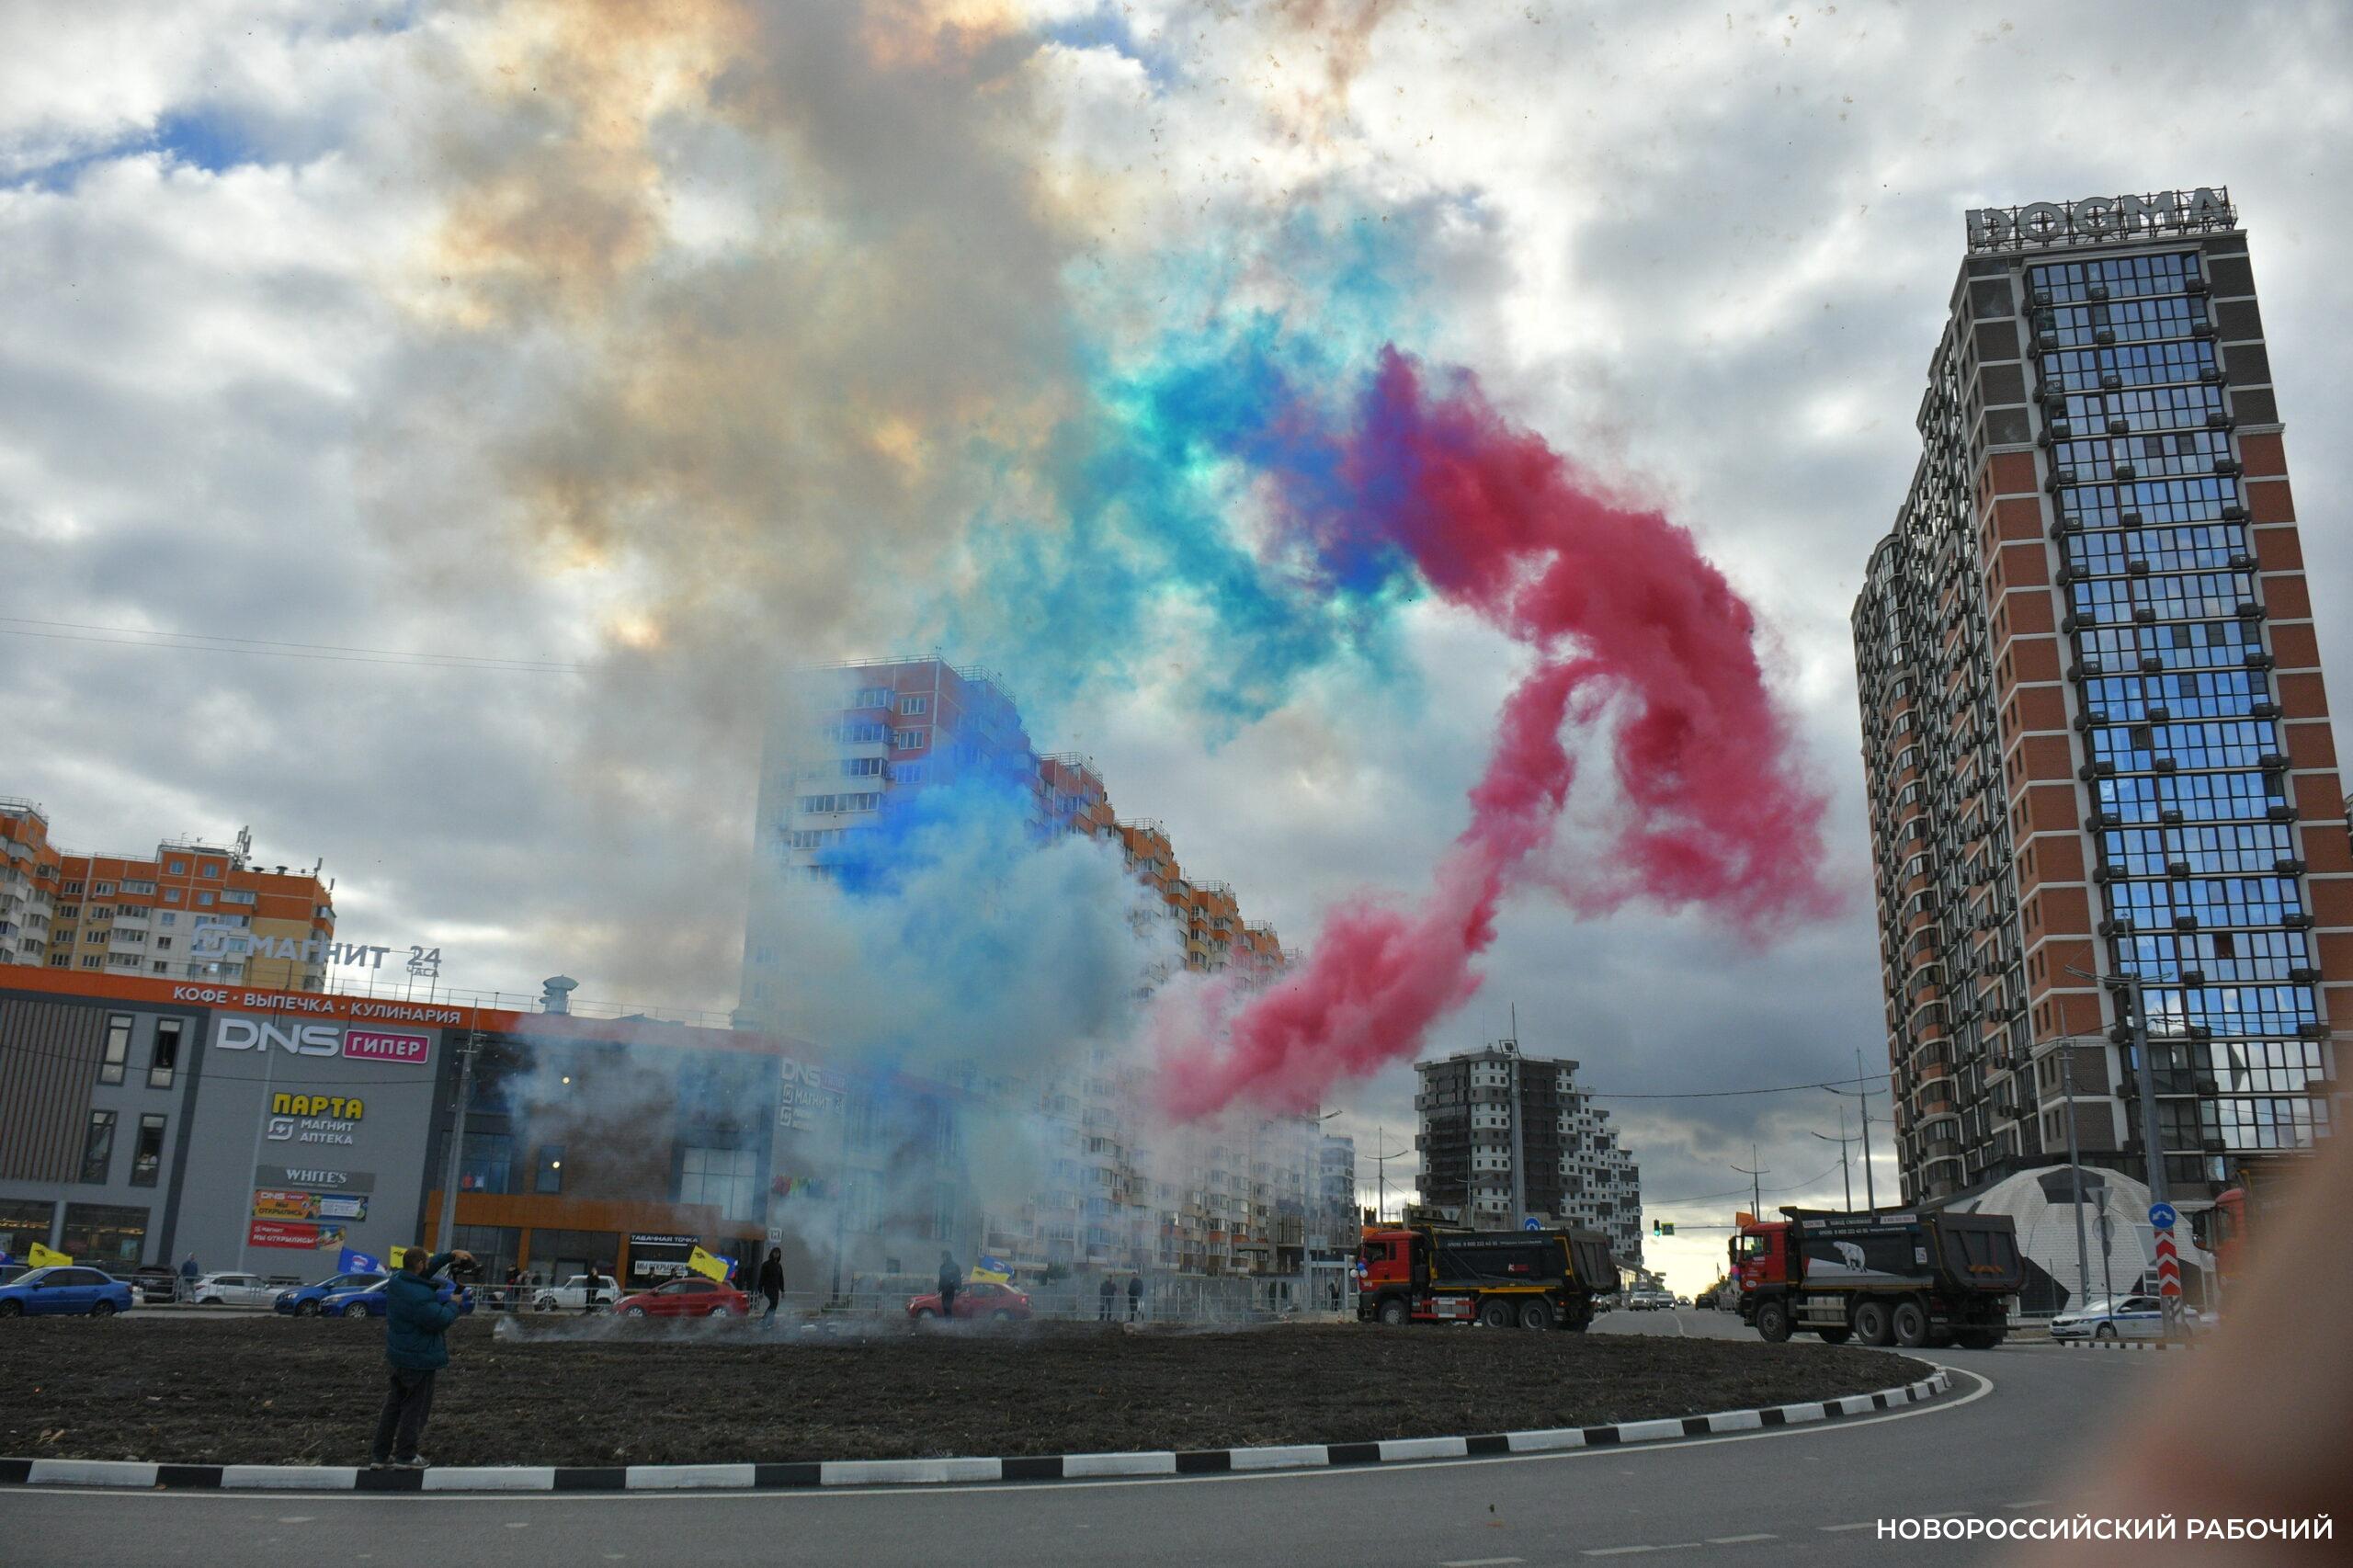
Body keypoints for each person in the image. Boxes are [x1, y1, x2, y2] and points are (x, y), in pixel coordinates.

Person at [370, 1245, 472, 1470]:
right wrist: (454, 1304)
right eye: (425, 1262)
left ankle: (380, 1455)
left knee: (393, 1406)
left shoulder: (398, 1281)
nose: (428, 1266)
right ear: (419, 1265)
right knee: (415, 1409)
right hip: (419, 1359)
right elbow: (440, 1319)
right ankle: (406, 1456)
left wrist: (450, 1256)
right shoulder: (419, 1296)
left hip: (399, 1356)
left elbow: (424, 1273)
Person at [757, 1246, 785, 1328]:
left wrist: (782, 1290)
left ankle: (769, 1321)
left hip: (776, 1288)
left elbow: (781, 1279)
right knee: (773, 1303)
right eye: (775, 1253)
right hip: (768, 1288)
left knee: (774, 1304)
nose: (776, 1254)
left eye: (778, 1253)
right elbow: (761, 1278)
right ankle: (765, 1319)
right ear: (772, 1254)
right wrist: (760, 1290)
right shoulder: (766, 1265)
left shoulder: (779, 1266)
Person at [936, 1251, 961, 1320]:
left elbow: (958, 1278)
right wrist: (939, 1289)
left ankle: (949, 1322)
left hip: (951, 1290)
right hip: (944, 1290)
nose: (942, 1258)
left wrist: (958, 1288)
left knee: (948, 1306)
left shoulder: (955, 1266)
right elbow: (941, 1279)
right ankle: (947, 1322)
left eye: (943, 1256)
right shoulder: (942, 1267)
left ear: (947, 1256)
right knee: (944, 1306)